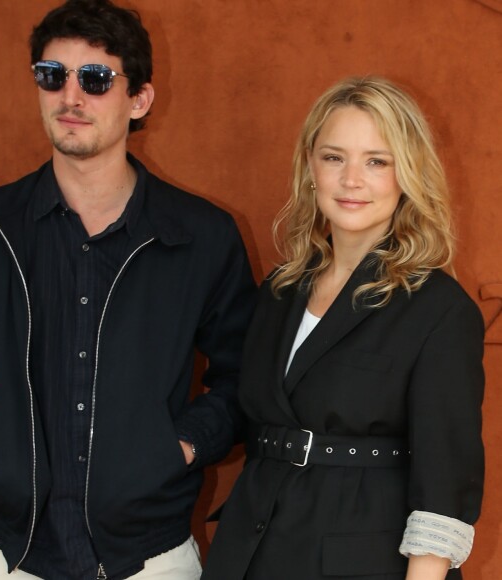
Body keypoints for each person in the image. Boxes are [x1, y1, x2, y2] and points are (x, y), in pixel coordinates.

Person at [0, 1, 256, 578]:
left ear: (140, 99)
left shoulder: (201, 237)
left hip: (150, 555)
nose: (70, 98)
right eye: (52, 76)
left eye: (96, 80)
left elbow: (244, 373)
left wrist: (178, 449)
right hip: (8, 553)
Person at [202, 76, 485, 580]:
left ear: (408, 175)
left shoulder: (440, 309)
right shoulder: (279, 290)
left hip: (361, 563)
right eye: (334, 157)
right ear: (310, 167)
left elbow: (444, 484)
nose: (351, 179)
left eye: (377, 161)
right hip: (250, 552)